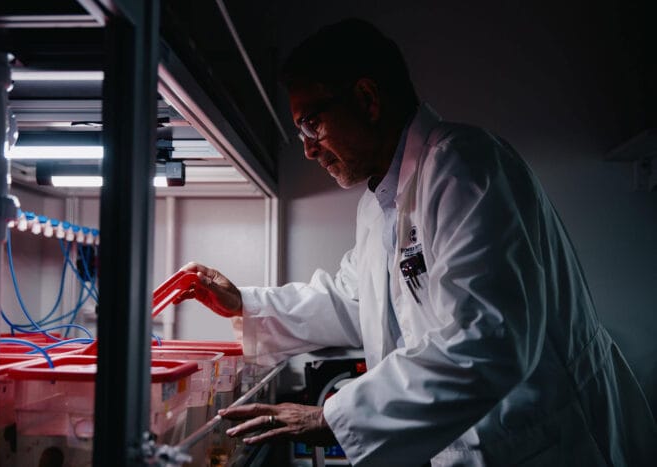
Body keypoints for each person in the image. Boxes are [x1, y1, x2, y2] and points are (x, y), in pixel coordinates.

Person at [179, 18, 656, 466]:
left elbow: (488, 339)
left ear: (367, 99)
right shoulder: (380, 200)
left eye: (312, 123)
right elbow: (356, 298)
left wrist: (333, 416)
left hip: (546, 442)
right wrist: (245, 301)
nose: (306, 147)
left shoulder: (464, 167)